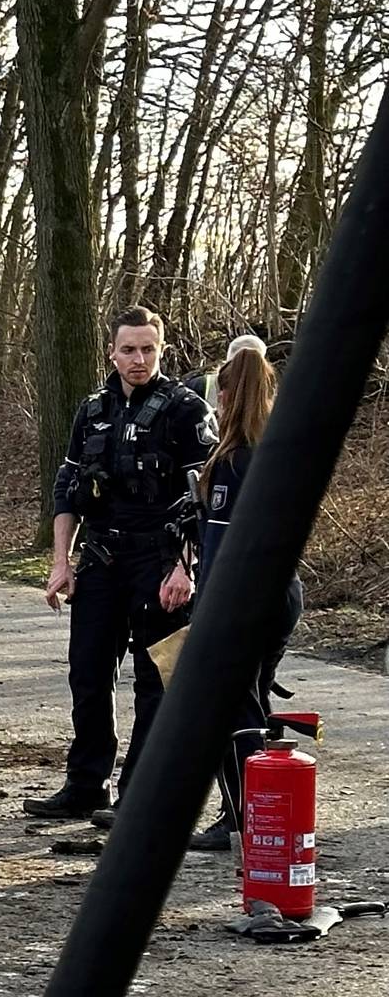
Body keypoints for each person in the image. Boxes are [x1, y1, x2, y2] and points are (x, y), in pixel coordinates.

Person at [26, 305, 213, 821]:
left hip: (162, 558)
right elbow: (67, 488)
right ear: (111, 351)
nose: (138, 359)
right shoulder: (92, 409)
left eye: (147, 349)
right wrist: (60, 562)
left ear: (161, 350)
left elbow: (207, 497)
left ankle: (141, 795)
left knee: (155, 681)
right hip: (103, 557)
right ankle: (86, 785)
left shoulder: (186, 410)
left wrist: (187, 567)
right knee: (87, 672)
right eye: (128, 349)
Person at [183, 344, 294, 851]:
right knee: (252, 698)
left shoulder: (232, 462)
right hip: (282, 596)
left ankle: (243, 816)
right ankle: (256, 813)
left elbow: (223, 548)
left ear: (225, 396)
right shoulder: (281, 454)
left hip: (242, 601)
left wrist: (205, 610)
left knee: (233, 707)